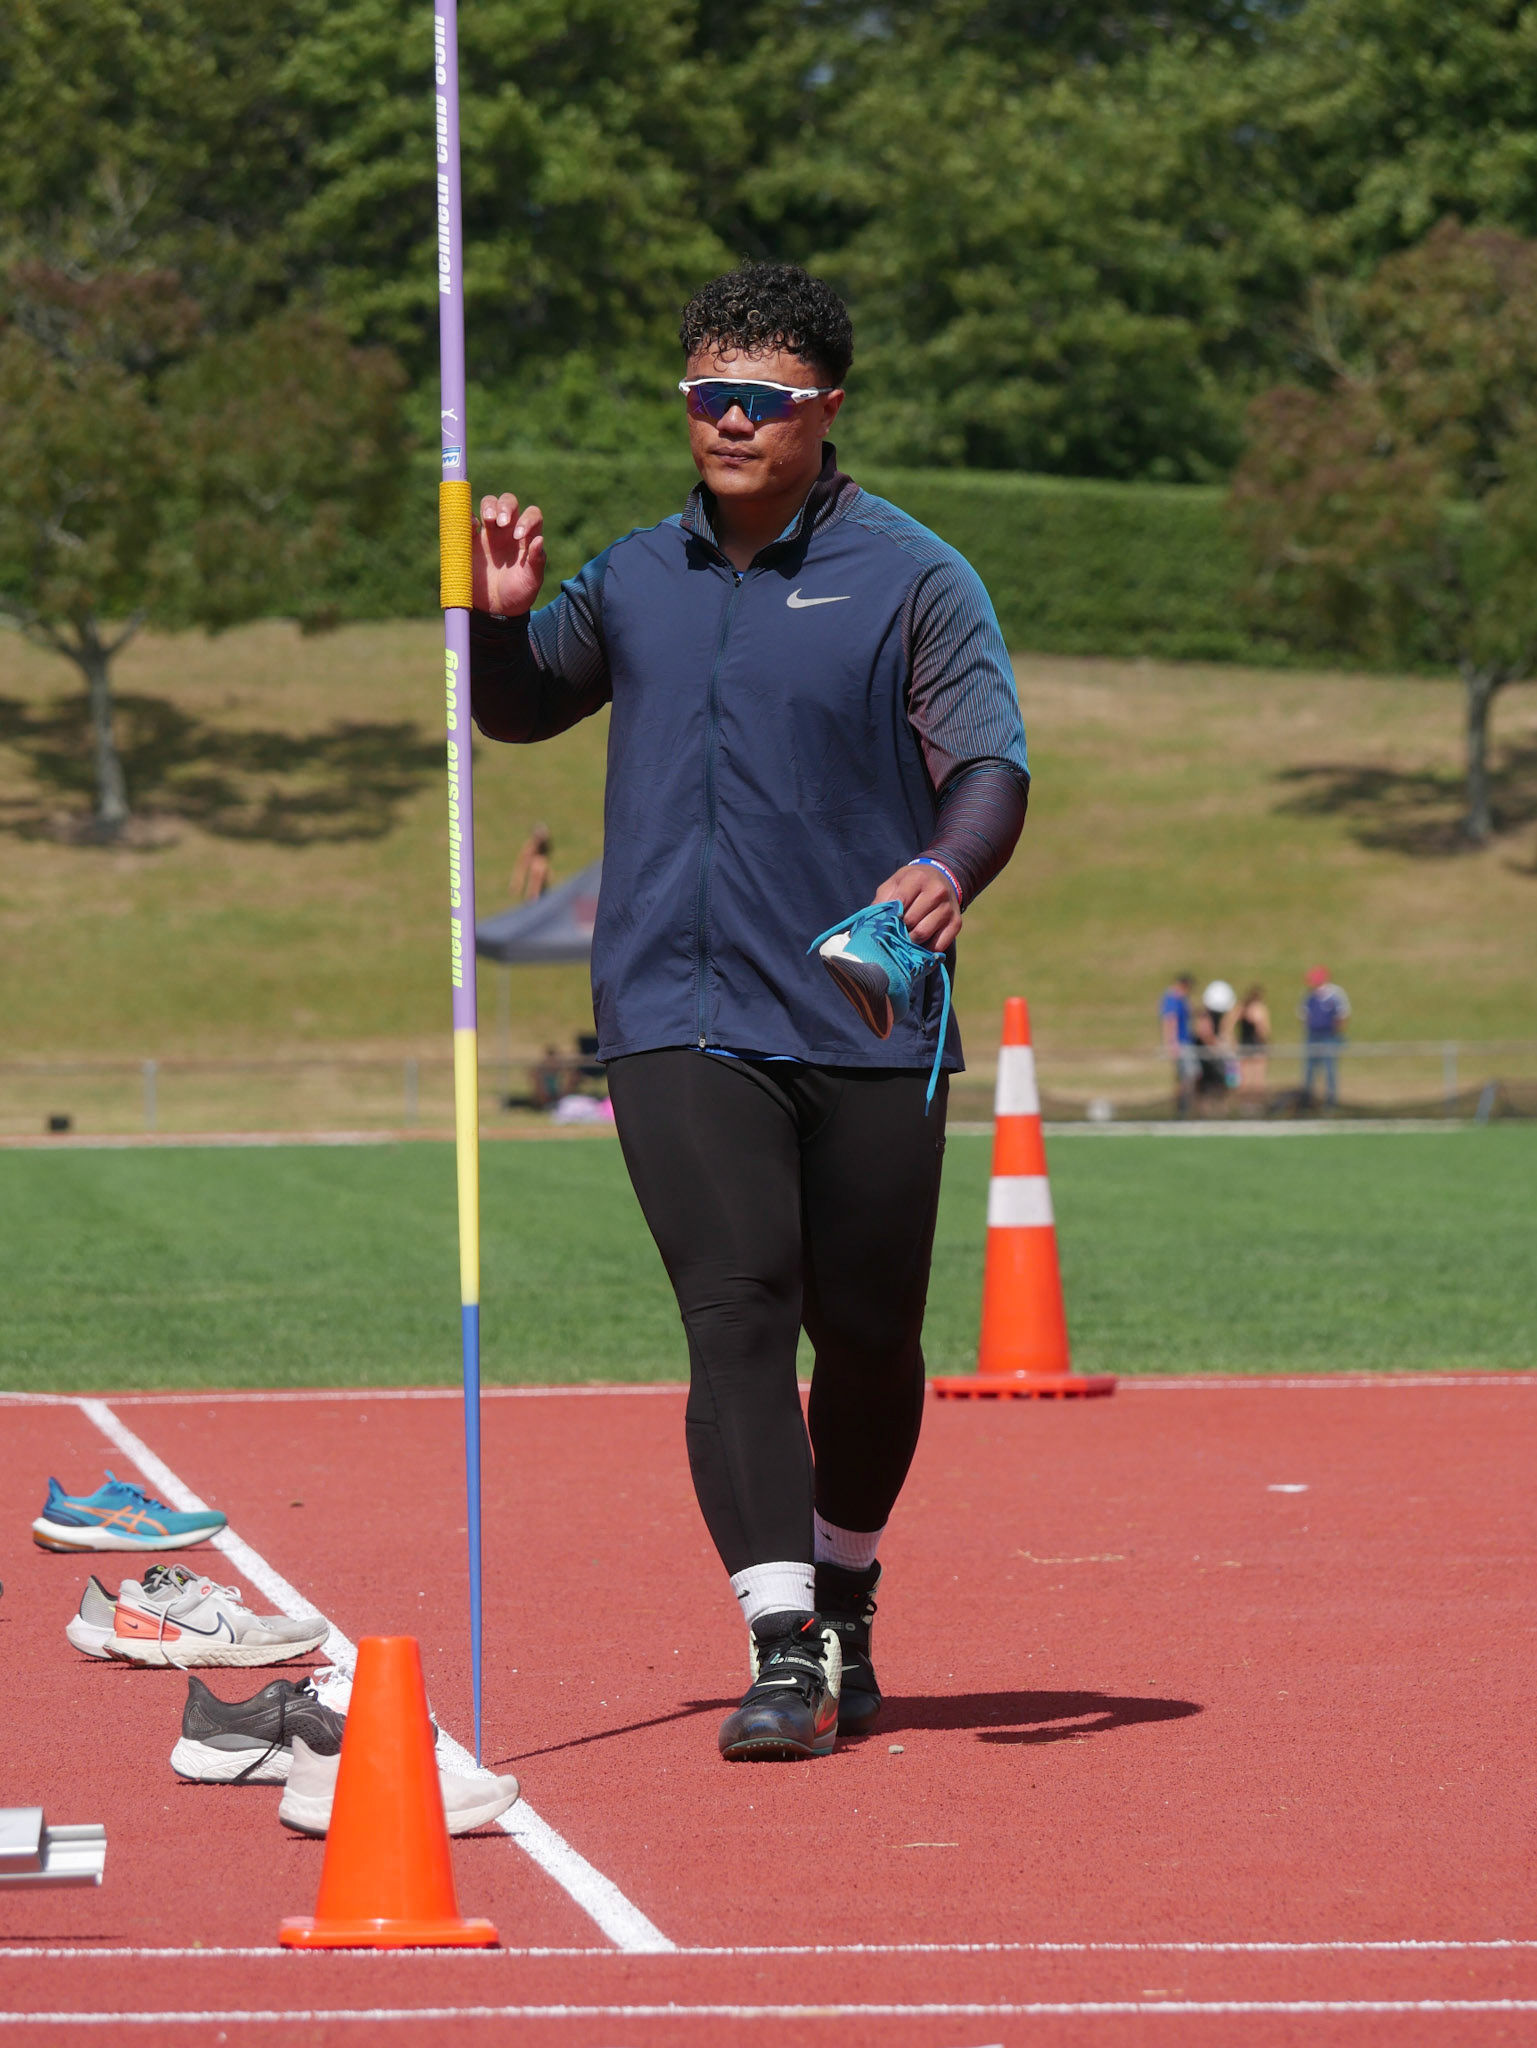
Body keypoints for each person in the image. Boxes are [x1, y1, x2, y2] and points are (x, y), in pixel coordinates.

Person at [467, 263, 1028, 1763]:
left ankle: (846, 1591)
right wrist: (496, 625)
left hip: (863, 1011)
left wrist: (944, 867)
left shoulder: (915, 576)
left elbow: (989, 766)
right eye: (705, 393)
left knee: (869, 1337)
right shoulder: (635, 574)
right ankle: (784, 1645)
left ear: (824, 409)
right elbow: (519, 707)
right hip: (676, 1004)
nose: (727, 420)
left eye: (760, 400)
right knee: (735, 1310)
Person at [1299, 965, 1351, 1107]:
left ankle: (1330, 1101)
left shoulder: (1335, 994)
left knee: (1330, 1068)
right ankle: (1307, 1099)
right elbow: (1303, 1015)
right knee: (1309, 1068)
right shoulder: (1309, 996)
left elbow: (1343, 1015)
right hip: (1312, 1035)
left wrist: (1337, 1034)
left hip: (1329, 1036)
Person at [1159, 973, 1197, 1116]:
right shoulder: (1172, 999)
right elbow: (1170, 1021)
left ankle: (1185, 1106)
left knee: (1185, 1075)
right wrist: (1172, 1043)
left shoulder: (1181, 999)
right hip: (1181, 1044)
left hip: (1185, 1041)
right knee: (1187, 1075)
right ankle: (1182, 1106)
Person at [1234, 984, 1271, 1102]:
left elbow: (1229, 1023)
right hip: (1257, 1044)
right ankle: (1257, 1103)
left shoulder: (1241, 1008)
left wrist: (1233, 1040)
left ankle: (1243, 1104)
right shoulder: (1260, 1009)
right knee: (1258, 1079)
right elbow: (1264, 1030)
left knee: (1244, 1078)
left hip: (1244, 1043)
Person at [511, 822, 552, 901]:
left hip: (543, 888)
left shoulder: (544, 849)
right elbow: (521, 867)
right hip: (534, 892)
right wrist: (517, 883)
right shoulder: (530, 849)